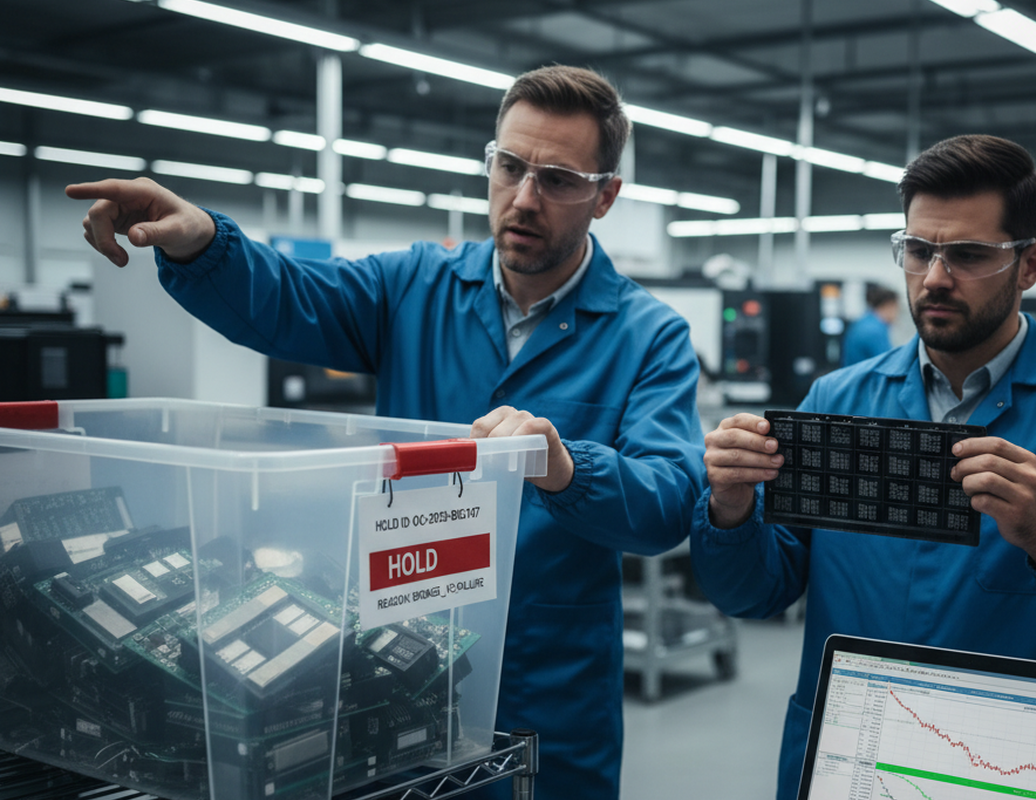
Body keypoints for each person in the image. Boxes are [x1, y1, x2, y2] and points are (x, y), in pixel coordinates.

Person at [66, 65, 705, 800]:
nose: (524, 198)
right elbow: (289, 299)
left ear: (605, 195)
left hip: (551, 687)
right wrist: (203, 243)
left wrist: (565, 468)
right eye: (509, 167)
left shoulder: (649, 336)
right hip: (398, 665)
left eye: (558, 179)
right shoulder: (414, 287)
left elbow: (667, 500)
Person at [689, 134, 1036, 800]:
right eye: (918, 249)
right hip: (848, 763)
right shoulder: (838, 403)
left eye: (967, 254)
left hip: (1011, 772)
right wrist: (731, 511)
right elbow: (754, 592)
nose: (934, 276)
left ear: (1031, 264)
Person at [841, 283, 899, 366]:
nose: (897, 314)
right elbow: (889, 363)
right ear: (889, 306)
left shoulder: (864, 322)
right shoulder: (874, 330)